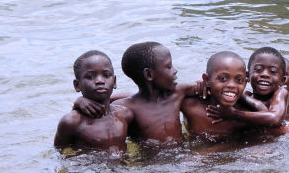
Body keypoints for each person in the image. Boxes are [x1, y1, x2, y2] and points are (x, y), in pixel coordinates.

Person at [74, 42, 204, 145]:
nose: (175, 71)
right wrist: (80, 101)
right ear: (149, 74)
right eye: (169, 67)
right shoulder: (128, 107)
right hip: (149, 165)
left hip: (180, 155)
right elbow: (103, 101)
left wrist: (202, 83)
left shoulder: (178, 93)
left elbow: (210, 88)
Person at [54, 50, 133, 152]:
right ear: (77, 85)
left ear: (114, 81)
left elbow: (136, 96)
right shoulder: (71, 122)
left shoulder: (125, 115)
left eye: (106, 75)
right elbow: (58, 153)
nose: (100, 80)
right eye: (90, 76)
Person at [206, 46, 289, 134]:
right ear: (247, 76)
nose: (265, 74)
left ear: (282, 81)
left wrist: (234, 114)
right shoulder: (247, 95)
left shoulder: (281, 92)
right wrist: (207, 84)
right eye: (258, 70)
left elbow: (274, 118)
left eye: (273, 71)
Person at [181, 51, 260, 142]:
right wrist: (192, 87)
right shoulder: (190, 105)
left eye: (239, 80)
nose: (231, 85)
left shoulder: (246, 114)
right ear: (207, 80)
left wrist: (210, 151)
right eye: (223, 78)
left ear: (245, 83)